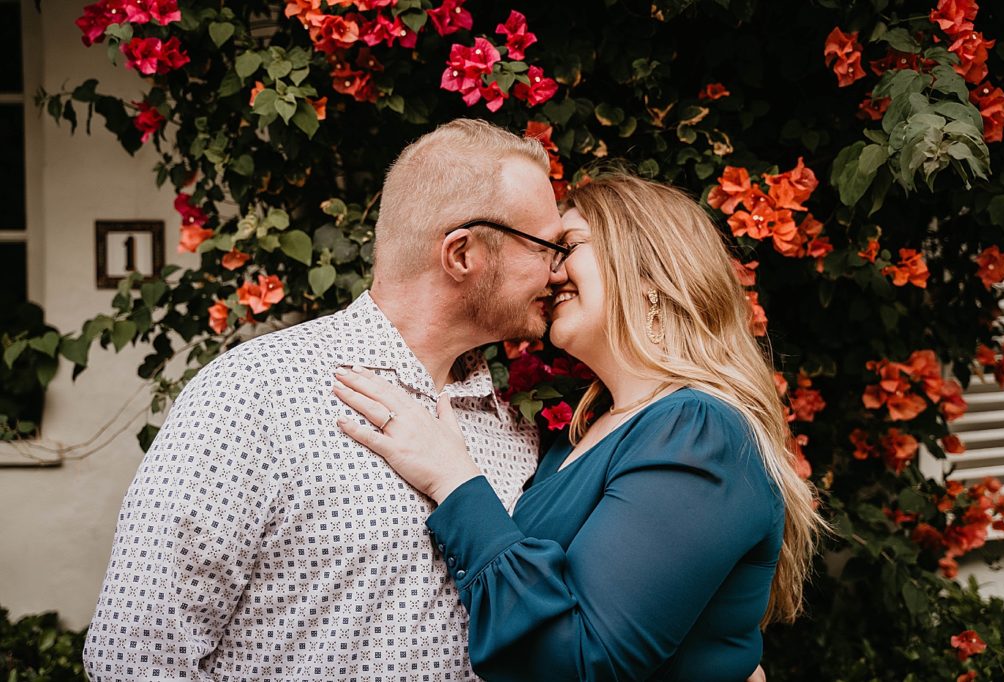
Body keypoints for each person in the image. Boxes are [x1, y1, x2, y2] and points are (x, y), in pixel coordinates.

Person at [81, 119, 570, 681]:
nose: (559, 271)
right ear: (462, 254)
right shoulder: (252, 394)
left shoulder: (513, 424)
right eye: (546, 247)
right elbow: (134, 655)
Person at [333, 173, 823, 680]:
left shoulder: (698, 433)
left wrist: (453, 480)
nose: (551, 271)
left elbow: (584, 661)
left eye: (568, 246)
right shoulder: (583, 435)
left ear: (649, 274)